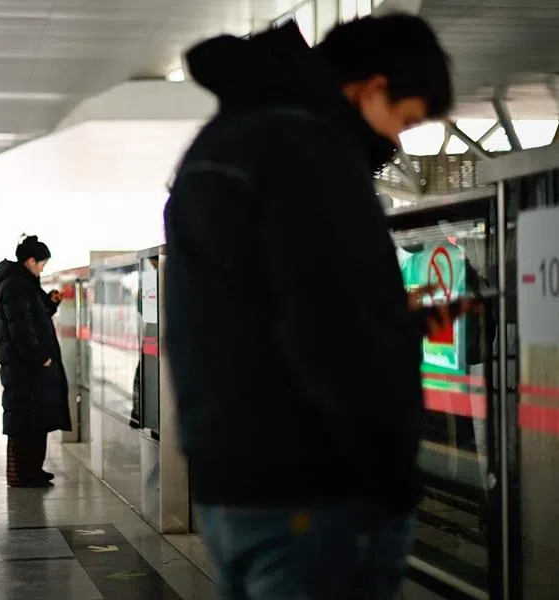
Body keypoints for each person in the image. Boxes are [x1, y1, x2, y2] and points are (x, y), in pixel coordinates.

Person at [163, 14, 475, 599]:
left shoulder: (224, 142)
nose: (398, 140)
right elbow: (332, 333)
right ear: (372, 87)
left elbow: (270, 310)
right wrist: (388, 475)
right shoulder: (306, 148)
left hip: (237, 481)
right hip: (315, 488)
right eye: (403, 119)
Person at [0, 235, 71, 488]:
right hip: (27, 367)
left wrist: (51, 303)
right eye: (41, 263)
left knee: (34, 420)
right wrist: (40, 357)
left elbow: (31, 315)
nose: (43, 268)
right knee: (27, 422)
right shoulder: (17, 285)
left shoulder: (21, 283)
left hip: (25, 367)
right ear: (30, 260)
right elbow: (21, 329)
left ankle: (32, 469)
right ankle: (25, 474)